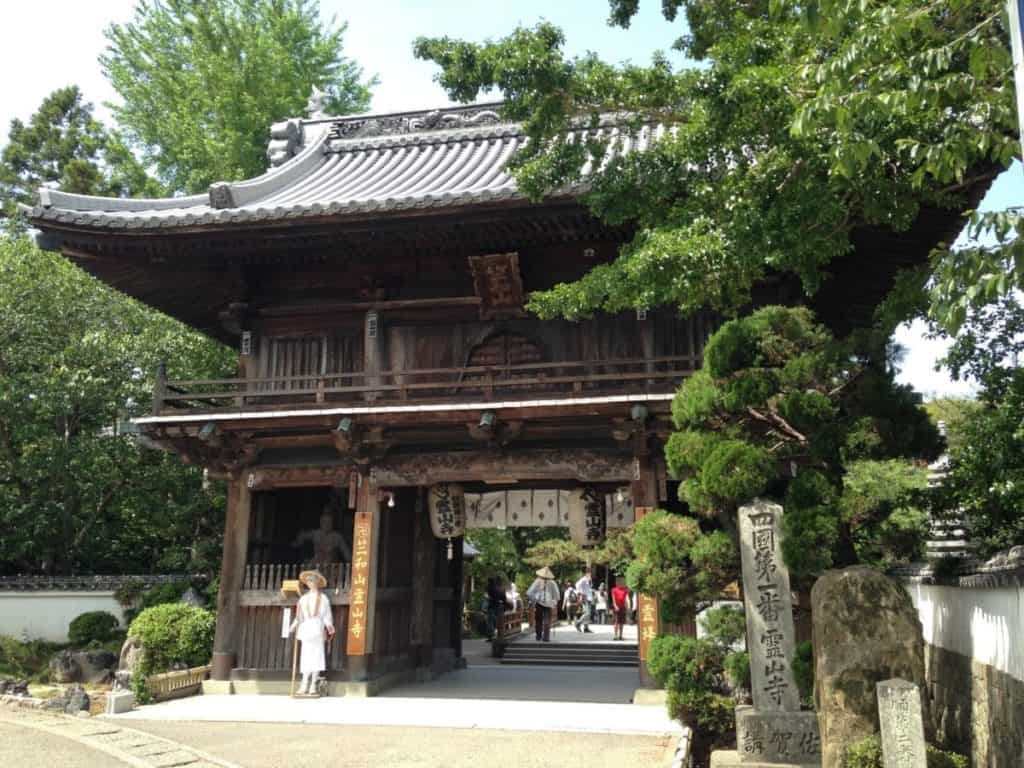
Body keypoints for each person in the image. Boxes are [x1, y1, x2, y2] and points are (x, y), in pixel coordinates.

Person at [289, 569, 335, 696]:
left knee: (317, 656)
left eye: (313, 580)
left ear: (318, 582)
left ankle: (313, 684)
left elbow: (327, 616)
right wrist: (293, 625)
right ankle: (304, 683)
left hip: (318, 627)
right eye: (309, 580)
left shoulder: (324, 599)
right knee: (305, 656)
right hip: (306, 628)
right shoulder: (303, 599)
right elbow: (299, 617)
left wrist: (329, 625)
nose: (311, 582)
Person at [526, 566, 560, 642]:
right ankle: (544, 636)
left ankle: (540, 636)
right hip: (543, 603)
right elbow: (556, 595)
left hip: (543, 603)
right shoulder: (546, 582)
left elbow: (529, 592)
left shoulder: (541, 582)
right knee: (542, 620)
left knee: (541, 620)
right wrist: (554, 601)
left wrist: (534, 598)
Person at [485, 576, 507, 641]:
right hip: (500, 606)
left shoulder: (490, 588)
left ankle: (491, 636)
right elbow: (504, 599)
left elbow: (489, 597)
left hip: (492, 606)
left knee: (490, 621)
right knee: (498, 621)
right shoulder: (502, 588)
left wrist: (488, 598)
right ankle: (500, 635)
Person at [611, 576, 629, 641]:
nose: (620, 583)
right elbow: (613, 599)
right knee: (616, 622)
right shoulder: (614, 589)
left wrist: (627, 608)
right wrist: (615, 606)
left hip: (622, 607)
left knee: (621, 622)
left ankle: (621, 636)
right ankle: (615, 635)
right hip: (617, 608)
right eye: (618, 581)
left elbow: (625, 600)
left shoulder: (625, 590)